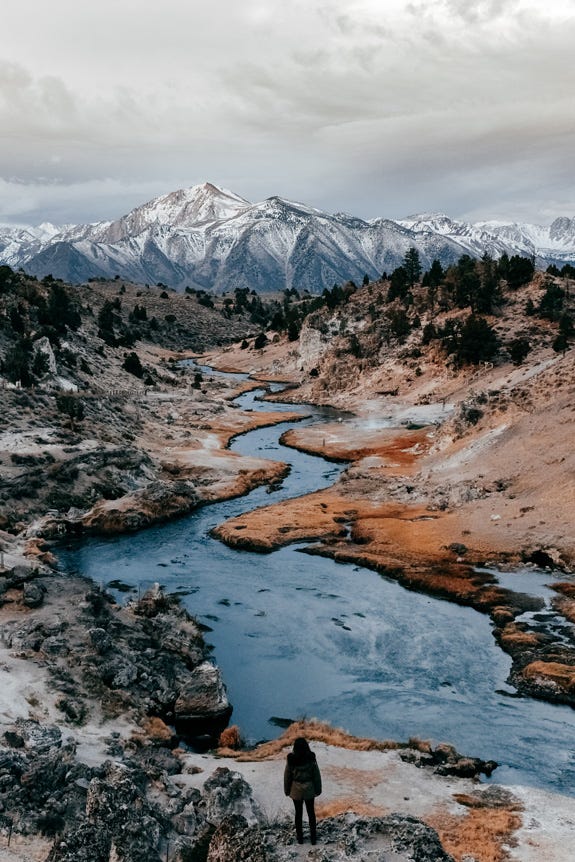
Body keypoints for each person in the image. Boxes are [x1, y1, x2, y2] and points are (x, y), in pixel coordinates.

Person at [283, 737, 322, 845]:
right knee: (311, 813)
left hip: (296, 790)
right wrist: (318, 789)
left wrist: (287, 790)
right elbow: (316, 775)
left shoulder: (291, 760)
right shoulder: (311, 758)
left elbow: (287, 776)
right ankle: (313, 839)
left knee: (298, 814)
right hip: (309, 789)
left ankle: (300, 839)